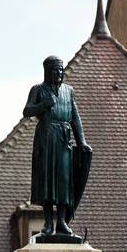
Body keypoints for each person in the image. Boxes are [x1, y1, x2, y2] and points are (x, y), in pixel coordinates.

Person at [23, 55, 92, 237]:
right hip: (46, 137)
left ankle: (61, 221)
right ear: (47, 72)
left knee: (64, 179)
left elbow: (75, 118)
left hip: (63, 139)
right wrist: (43, 105)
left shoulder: (68, 91)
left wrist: (82, 141)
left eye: (61, 70)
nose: (59, 73)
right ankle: (47, 222)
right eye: (55, 70)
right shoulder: (38, 90)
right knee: (47, 179)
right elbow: (27, 111)